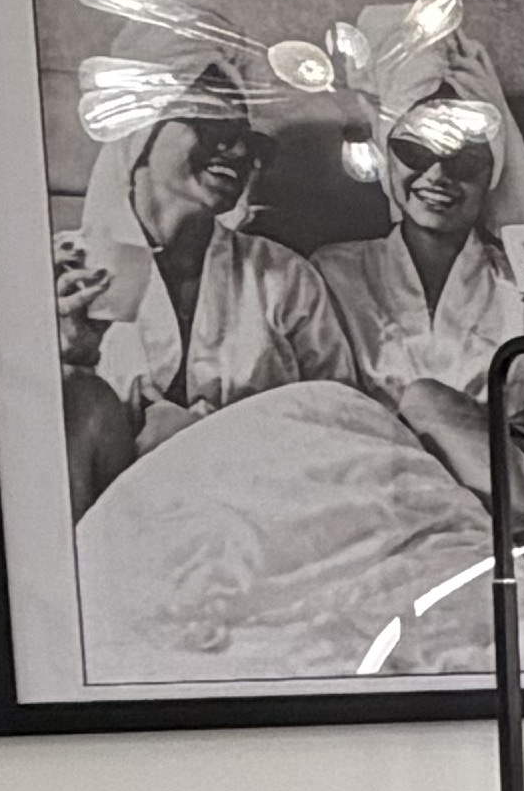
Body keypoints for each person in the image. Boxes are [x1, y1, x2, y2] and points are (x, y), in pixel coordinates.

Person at [53, 70, 359, 514]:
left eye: (250, 144)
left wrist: (204, 433)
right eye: (212, 127)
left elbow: (343, 421)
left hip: (257, 517)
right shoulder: (61, 273)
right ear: (141, 132)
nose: (236, 152)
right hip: (116, 526)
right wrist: (70, 359)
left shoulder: (283, 278)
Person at [319, 37, 524, 524]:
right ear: (387, 156)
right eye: (416, 149)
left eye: (463, 160)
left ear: (492, 172)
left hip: (512, 498)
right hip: (380, 492)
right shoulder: (333, 275)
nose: (438, 174)